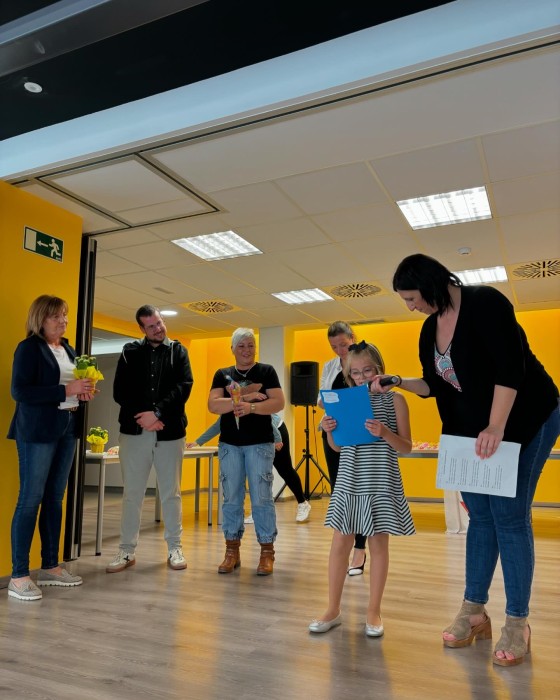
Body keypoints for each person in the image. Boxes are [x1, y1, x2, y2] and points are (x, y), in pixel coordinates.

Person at [383, 253, 559, 666]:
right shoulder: (429, 328)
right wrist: (399, 382)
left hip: (526, 419)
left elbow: (510, 370)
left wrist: (496, 426)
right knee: (480, 516)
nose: (410, 307)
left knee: (510, 517)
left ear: (431, 285)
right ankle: (474, 610)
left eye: (412, 298)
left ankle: (517, 622)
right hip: (473, 432)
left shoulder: (486, 303)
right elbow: (434, 384)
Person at [309, 341, 414, 636]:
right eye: (355, 373)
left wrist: (385, 432)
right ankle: (332, 609)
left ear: (379, 368)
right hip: (349, 480)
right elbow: (338, 447)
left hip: (380, 480)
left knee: (378, 546)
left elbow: (406, 447)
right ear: (348, 375)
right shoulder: (344, 401)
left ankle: (373, 612)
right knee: (339, 544)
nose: (362, 377)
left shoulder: (396, 401)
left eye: (368, 370)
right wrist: (330, 432)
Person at [7, 295, 94, 601]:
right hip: (37, 431)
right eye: (56, 316)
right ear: (40, 319)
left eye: (65, 315)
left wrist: (81, 393)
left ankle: (50, 566)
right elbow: (19, 391)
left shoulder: (68, 349)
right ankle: (19, 576)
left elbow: (71, 387)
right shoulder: (29, 348)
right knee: (30, 499)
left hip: (67, 427)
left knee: (55, 499)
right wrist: (66, 389)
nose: (63, 321)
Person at [106, 305, 193, 574]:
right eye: (152, 326)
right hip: (134, 431)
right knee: (132, 494)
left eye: (160, 322)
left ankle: (175, 548)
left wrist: (157, 413)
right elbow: (120, 391)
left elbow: (183, 387)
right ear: (142, 329)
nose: (158, 329)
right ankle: (126, 550)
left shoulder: (178, 351)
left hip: (170, 432)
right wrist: (144, 416)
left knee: (171, 493)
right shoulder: (129, 352)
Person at [208, 328, 285, 575]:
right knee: (231, 498)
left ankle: (267, 552)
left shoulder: (266, 371)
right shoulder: (222, 374)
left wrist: (250, 408)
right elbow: (213, 405)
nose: (246, 350)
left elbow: (278, 402)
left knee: (261, 498)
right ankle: (231, 551)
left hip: (260, 444)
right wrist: (244, 398)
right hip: (230, 445)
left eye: (250, 345)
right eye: (241, 345)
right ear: (232, 348)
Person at [188, 413, 311, 523]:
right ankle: (257, 512)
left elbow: (265, 419)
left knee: (284, 469)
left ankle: (303, 503)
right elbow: (218, 425)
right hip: (255, 435)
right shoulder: (227, 407)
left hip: (275, 429)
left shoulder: (246, 403)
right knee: (254, 472)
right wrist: (197, 442)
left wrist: (277, 438)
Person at [318, 321, 367, 575]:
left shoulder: (364, 360)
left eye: (343, 345)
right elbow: (320, 399)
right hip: (334, 431)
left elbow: (373, 394)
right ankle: (344, 542)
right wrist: (330, 402)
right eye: (334, 347)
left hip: (361, 433)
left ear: (353, 338)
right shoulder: (329, 366)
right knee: (340, 490)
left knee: (360, 491)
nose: (339, 351)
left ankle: (360, 548)